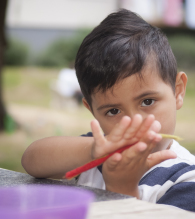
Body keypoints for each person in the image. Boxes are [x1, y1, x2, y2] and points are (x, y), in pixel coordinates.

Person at [21, 9, 195, 211]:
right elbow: (31, 161)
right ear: (92, 110)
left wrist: (122, 189)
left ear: (177, 92)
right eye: (113, 111)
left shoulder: (186, 179)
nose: (133, 122)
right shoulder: (96, 153)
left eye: (147, 101)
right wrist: (93, 150)